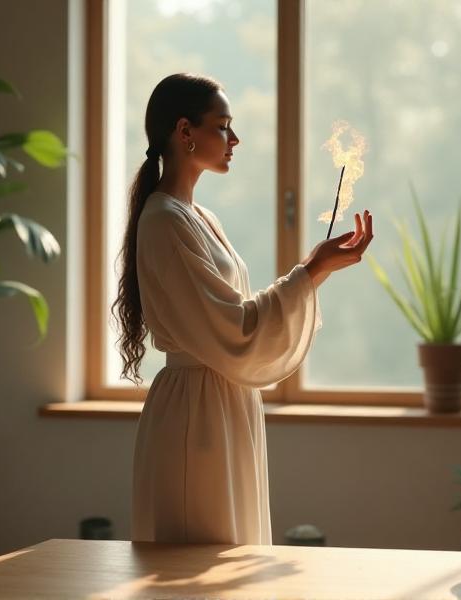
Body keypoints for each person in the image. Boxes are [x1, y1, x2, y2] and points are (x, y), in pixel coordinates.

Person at [114, 73, 373, 545]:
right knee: (197, 562)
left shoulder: (198, 217)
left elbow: (236, 318)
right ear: (185, 131)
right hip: (197, 413)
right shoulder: (165, 220)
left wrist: (317, 269)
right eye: (223, 126)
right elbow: (234, 328)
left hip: (222, 401)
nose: (235, 139)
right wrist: (311, 269)